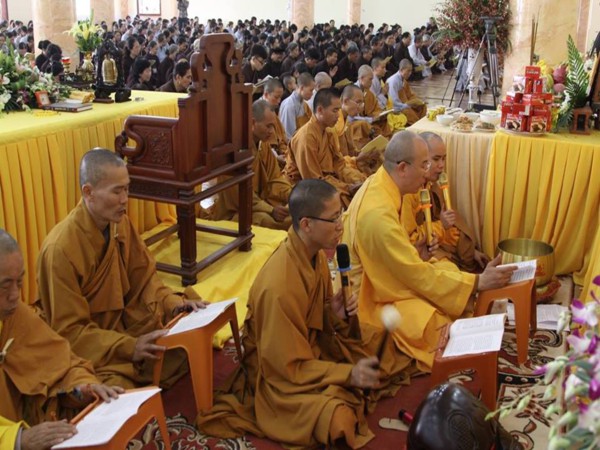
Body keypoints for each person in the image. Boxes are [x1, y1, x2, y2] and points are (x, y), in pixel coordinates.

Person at [197, 179, 413, 448]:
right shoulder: (279, 287)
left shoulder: (315, 253)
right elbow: (285, 368)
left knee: (387, 346)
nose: (341, 225)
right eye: (333, 219)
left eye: (341, 214)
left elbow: (315, 317)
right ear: (307, 224)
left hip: (308, 349)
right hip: (280, 374)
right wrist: (347, 374)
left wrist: (333, 314)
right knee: (338, 419)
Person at [342, 131, 516, 371]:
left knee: (445, 267)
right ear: (403, 168)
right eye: (424, 164)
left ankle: (471, 309)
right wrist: (478, 282)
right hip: (369, 296)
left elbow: (404, 257)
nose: (428, 172)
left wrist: (418, 252)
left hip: (388, 277)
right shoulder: (378, 214)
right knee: (433, 323)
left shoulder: (383, 184)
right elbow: (413, 274)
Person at [36, 149, 206, 389]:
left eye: (127, 189)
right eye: (117, 191)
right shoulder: (60, 250)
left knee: (187, 337)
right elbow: (70, 332)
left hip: (127, 323)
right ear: (88, 192)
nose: (125, 199)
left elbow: (144, 279)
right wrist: (129, 347)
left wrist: (172, 303)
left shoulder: (119, 222)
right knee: (116, 388)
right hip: (95, 344)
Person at [0, 230, 123, 450]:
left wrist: (83, 388)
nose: (15, 295)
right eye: (4, 285)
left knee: (111, 395)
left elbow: (60, 363)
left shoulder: (14, 314)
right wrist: (18, 440)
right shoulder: (60, 248)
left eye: (19, 282)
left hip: (24, 420)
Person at [400, 132, 489, 272]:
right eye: (436, 159)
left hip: (436, 243)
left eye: (443, 159)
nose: (441, 166)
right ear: (421, 160)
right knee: (450, 271)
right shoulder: (409, 192)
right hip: (419, 252)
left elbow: (447, 225)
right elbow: (410, 240)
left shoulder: (430, 184)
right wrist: (441, 226)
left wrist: (471, 251)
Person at [212, 100, 292, 230]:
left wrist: (291, 194)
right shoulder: (233, 151)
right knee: (266, 220)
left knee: (296, 210)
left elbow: (275, 178)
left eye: (273, 127)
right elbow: (240, 196)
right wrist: (271, 210)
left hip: (263, 202)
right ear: (252, 123)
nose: (272, 132)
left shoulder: (263, 145)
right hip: (237, 211)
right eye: (268, 126)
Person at [285, 88, 365, 207]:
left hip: (329, 180)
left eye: (339, 110)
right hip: (304, 188)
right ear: (320, 110)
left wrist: (356, 181)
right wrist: (347, 188)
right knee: (345, 200)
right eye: (335, 111)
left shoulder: (329, 131)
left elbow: (339, 165)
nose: (338, 115)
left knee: (364, 182)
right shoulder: (306, 137)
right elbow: (312, 180)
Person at [387, 59, 426, 125]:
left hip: (404, 104)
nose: (410, 73)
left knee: (422, 106)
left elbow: (410, 95)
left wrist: (416, 101)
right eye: (408, 71)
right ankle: (417, 126)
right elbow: (394, 103)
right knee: (409, 112)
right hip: (397, 108)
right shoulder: (393, 81)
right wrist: (407, 105)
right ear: (401, 70)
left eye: (411, 71)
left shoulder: (403, 80)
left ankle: (421, 123)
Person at [278, 72, 315, 139]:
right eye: (311, 90)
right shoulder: (289, 105)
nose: (312, 94)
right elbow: (288, 135)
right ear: (302, 88)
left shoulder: (303, 103)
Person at [261, 78, 289, 166]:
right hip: (269, 158)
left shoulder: (271, 109)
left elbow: (281, 136)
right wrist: (276, 157)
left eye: (280, 97)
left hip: (281, 152)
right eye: (276, 97)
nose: (279, 101)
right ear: (266, 94)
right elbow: (261, 144)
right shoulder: (258, 112)